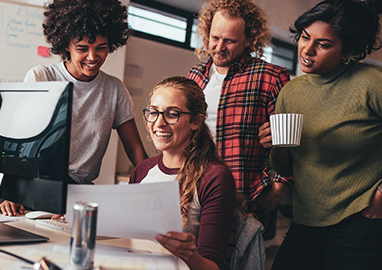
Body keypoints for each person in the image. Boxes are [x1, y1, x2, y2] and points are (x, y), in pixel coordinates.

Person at [258, 0, 382, 269]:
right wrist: (276, 147)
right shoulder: (291, 92)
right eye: (305, 37)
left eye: (323, 44)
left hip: (360, 222)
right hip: (305, 221)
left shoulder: (372, 83)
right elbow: (284, 165)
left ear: (348, 49)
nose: (307, 50)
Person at [0, 0, 147, 215]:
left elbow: (135, 149)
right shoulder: (42, 77)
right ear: (66, 44)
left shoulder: (114, 89)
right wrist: (5, 192)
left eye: (101, 48)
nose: (93, 57)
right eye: (82, 49)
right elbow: (17, 142)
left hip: (79, 192)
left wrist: (155, 187)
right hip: (36, 186)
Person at [187, 0, 291, 212]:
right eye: (214, 38)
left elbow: (289, 141)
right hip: (197, 189)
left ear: (249, 40)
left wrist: (279, 189)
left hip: (246, 196)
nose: (219, 47)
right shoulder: (195, 76)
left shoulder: (271, 78)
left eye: (230, 41)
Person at [130, 76, 235, 270]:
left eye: (172, 114)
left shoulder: (214, 177)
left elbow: (213, 267)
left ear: (195, 121)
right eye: (153, 112)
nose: (159, 123)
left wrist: (187, 254)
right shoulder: (142, 170)